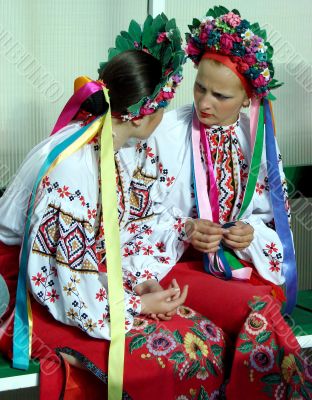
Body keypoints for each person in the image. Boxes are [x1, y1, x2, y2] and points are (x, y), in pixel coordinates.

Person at [0, 13, 228, 400]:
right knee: (180, 352)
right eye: (162, 107)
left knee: (203, 335)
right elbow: (71, 287)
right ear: (144, 116)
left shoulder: (112, 145)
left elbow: (125, 230)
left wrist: (136, 281)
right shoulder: (73, 168)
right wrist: (136, 303)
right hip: (25, 288)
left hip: (78, 277)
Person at [137, 5, 311, 399]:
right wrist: (184, 230)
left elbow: (270, 218)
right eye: (200, 87)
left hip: (236, 266)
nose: (205, 102)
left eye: (220, 94)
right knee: (259, 314)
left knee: (261, 309)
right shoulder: (165, 134)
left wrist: (252, 235)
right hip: (172, 265)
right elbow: (130, 218)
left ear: (248, 97)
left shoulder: (258, 140)